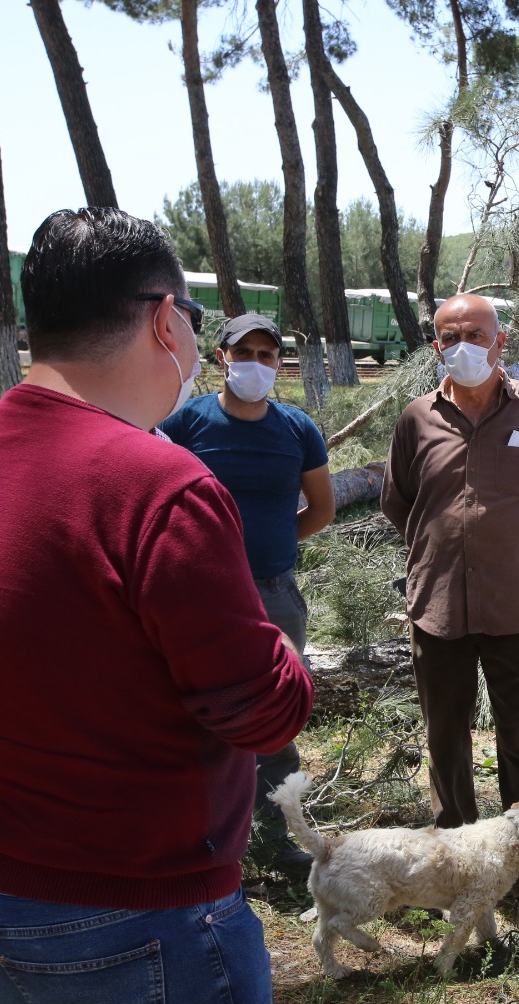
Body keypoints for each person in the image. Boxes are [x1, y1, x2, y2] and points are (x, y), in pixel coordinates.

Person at [0, 207, 313, 1004]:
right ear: (165, 320)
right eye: (194, 326)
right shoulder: (160, 485)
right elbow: (265, 714)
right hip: (135, 918)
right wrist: (277, 643)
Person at [382, 292, 519, 932]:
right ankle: (457, 867)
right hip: (438, 605)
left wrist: (510, 550)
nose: (462, 344)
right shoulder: (416, 418)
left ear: (501, 340)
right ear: (435, 344)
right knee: (447, 741)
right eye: (449, 335)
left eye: (475, 333)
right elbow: (400, 504)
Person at [159, 311, 335, 877]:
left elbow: (323, 509)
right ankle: (204, 835)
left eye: (267, 355)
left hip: (275, 593)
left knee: (276, 711)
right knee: (196, 710)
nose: (255, 365)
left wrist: (276, 547)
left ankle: (277, 835)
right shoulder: (187, 424)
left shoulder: (297, 430)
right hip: (202, 593)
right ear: (221, 360)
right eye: (244, 354)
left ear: (279, 365)